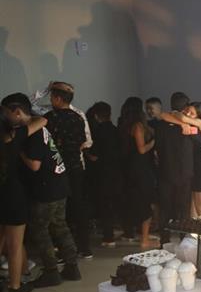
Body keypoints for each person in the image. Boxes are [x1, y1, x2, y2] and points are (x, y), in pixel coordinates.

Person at [2, 93, 80, 287]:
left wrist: (17, 150)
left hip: (46, 189)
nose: (5, 117)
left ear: (17, 112)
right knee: (60, 227)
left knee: (40, 231)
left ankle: (51, 271)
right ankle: (72, 267)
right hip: (59, 183)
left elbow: (34, 165)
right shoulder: (39, 126)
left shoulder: (30, 133)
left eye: (6, 113)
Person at [0, 103, 48, 292]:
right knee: (15, 245)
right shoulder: (15, 136)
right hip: (13, 195)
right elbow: (42, 120)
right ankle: (15, 286)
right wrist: (22, 117)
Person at [45, 82, 92, 259]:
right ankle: (84, 247)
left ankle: (62, 250)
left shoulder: (50, 118)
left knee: (57, 211)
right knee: (78, 206)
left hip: (56, 169)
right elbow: (84, 142)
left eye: (51, 97)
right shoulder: (78, 117)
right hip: (76, 167)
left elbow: (47, 144)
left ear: (58, 99)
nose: (51, 100)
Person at [152, 92, 201, 243]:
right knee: (183, 209)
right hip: (184, 172)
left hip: (165, 171)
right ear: (185, 107)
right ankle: (183, 239)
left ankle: (164, 241)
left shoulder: (160, 125)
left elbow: (157, 146)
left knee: (165, 208)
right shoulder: (190, 126)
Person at [119, 97, 157, 249]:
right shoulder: (138, 125)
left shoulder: (123, 125)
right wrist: (154, 141)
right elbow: (141, 149)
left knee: (136, 202)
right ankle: (145, 239)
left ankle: (139, 235)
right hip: (141, 169)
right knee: (145, 202)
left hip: (129, 168)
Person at [85, 102, 120, 247]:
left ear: (95, 116)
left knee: (104, 205)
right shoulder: (116, 130)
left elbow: (94, 156)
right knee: (111, 204)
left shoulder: (97, 132)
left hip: (101, 174)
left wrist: (85, 151)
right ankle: (110, 234)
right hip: (116, 172)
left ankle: (108, 237)